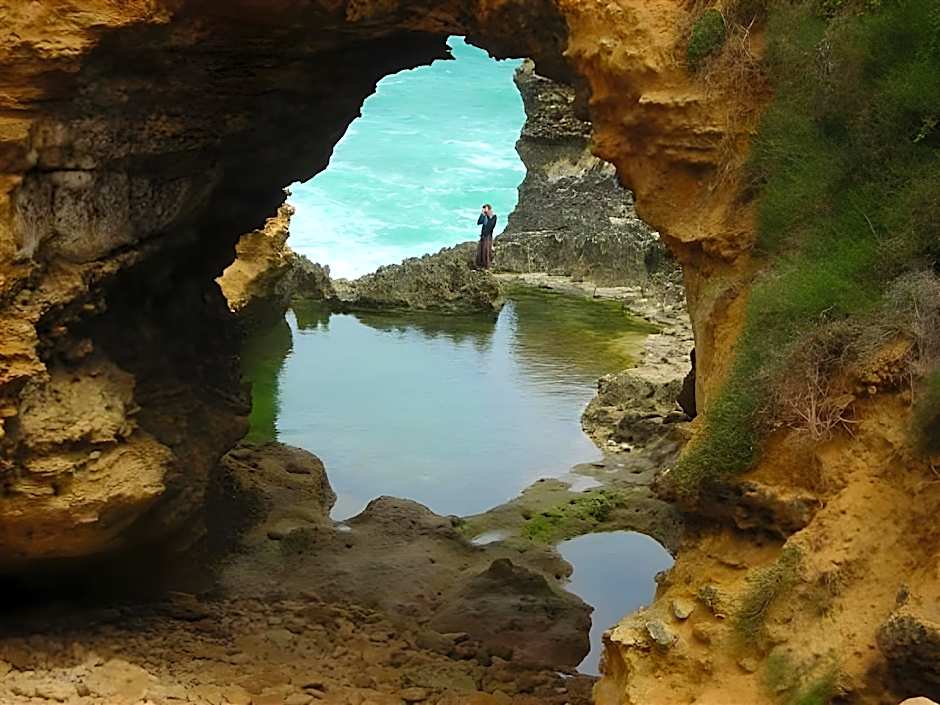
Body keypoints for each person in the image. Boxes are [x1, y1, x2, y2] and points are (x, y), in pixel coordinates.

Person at [476, 204, 497, 269]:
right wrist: (482, 214)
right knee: (481, 251)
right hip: (483, 236)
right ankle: (480, 265)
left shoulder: (493, 217)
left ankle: (487, 266)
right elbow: (479, 222)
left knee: (486, 251)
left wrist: (488, 215)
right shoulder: (485, 217)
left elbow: (491, 225)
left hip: (488, 236)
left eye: (486, 209)